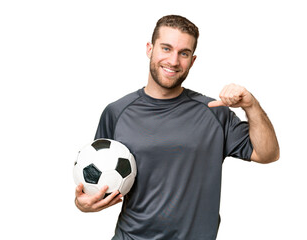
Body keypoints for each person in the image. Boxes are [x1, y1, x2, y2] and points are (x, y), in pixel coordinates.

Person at [75, 15, 280, 240]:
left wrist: (251, 105)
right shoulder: (116, 112)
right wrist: (83, 203)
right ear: (149, 49)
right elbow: (97, 180)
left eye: (183, 53)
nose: (173, 61)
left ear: (192, 60)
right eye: (166, 48)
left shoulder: (214, 112)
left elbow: (268, 153)